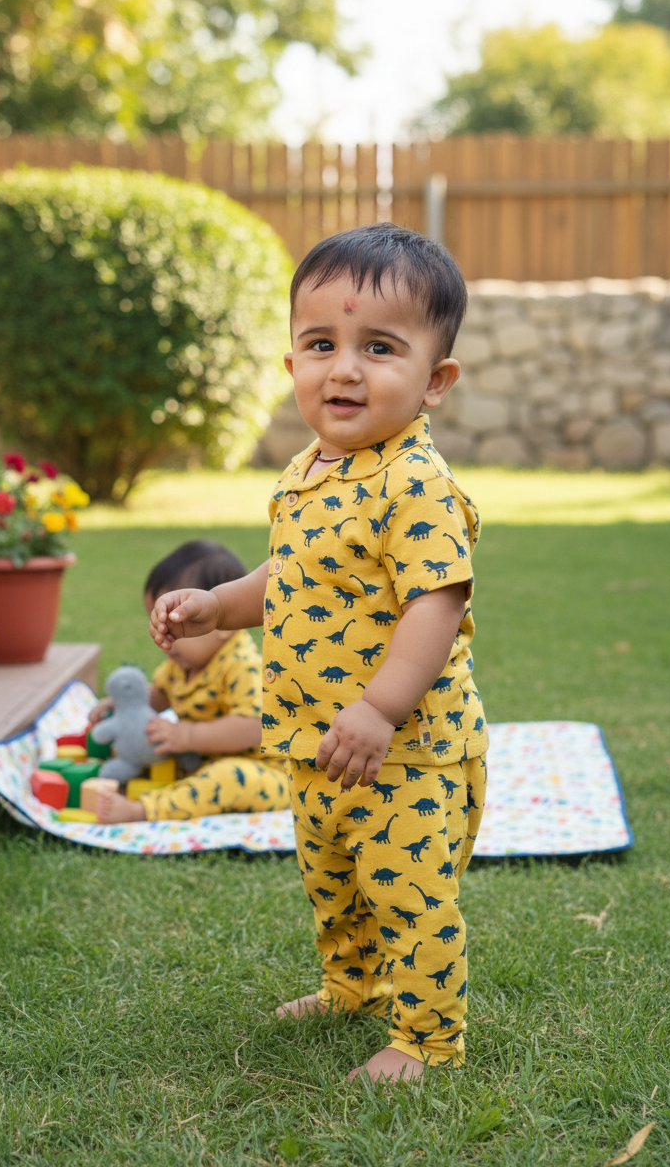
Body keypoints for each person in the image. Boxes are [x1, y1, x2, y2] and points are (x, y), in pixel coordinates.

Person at [149, 225, 487, 1085]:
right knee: (334, 880)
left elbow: (434, 605)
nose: (344, 368)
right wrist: (217, 605)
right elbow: (289, 576)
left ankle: (427, 1039)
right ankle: (351, 983)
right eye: (321, 344)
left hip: (403, 751)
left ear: (434, 380)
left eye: (379, 347)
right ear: (291, 363)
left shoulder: (417, 485)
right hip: (311, 742)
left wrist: (378, 709)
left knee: (407, 897)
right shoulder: (308, 471)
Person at [92, 539, 288, 824]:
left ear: (224, 623)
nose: (165, 637)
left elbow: (252, 727)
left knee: (227, 779)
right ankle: (131, 785)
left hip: (266, 772)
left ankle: (142, 810)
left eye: (177, 624)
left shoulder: (241, 665)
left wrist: (186, 737)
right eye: (157, 623)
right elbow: (158, 696)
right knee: (156, 750)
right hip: (203, 760)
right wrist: (122, 703)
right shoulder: (180, 665)